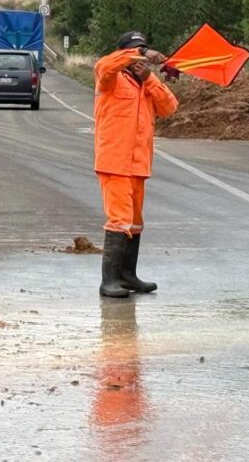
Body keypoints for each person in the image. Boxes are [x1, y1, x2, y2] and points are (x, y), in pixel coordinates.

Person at [93, 31, 179, 298]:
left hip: (138, 164)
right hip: (114, 161)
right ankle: (108, 281)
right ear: (125, 53)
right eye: (134, 50)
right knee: (119, 220)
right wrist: (140, 55)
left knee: (134, 223)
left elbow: (169, 107)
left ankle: (127, 275)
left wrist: (149, 77)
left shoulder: (145, 83)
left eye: (143, 49)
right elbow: (105, 64)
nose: (139, 55)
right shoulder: (110, 78)